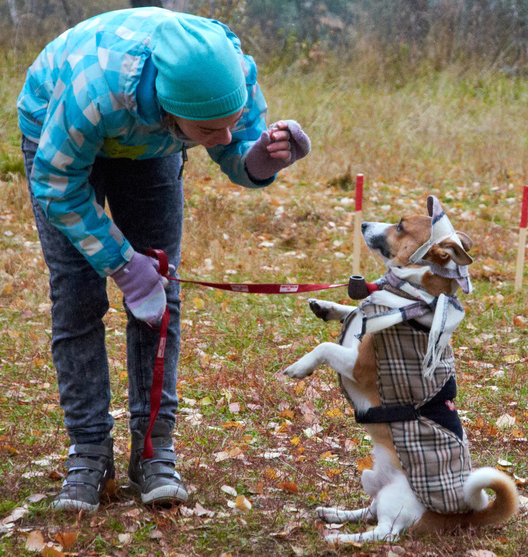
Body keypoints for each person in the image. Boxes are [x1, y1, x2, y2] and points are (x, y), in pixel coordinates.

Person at [17, 7, 310, 513]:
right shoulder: (94, 89)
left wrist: (260, 157)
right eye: (206, 131)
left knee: (158, 298)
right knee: (78, 294)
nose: (221, 139)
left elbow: (236, 147)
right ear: (171, 110)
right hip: (60, 130)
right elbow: (57, 186)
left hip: (151, 149)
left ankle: (153, 450)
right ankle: (89, 452)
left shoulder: (230, 69)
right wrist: (122, 263)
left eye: (230, 122)